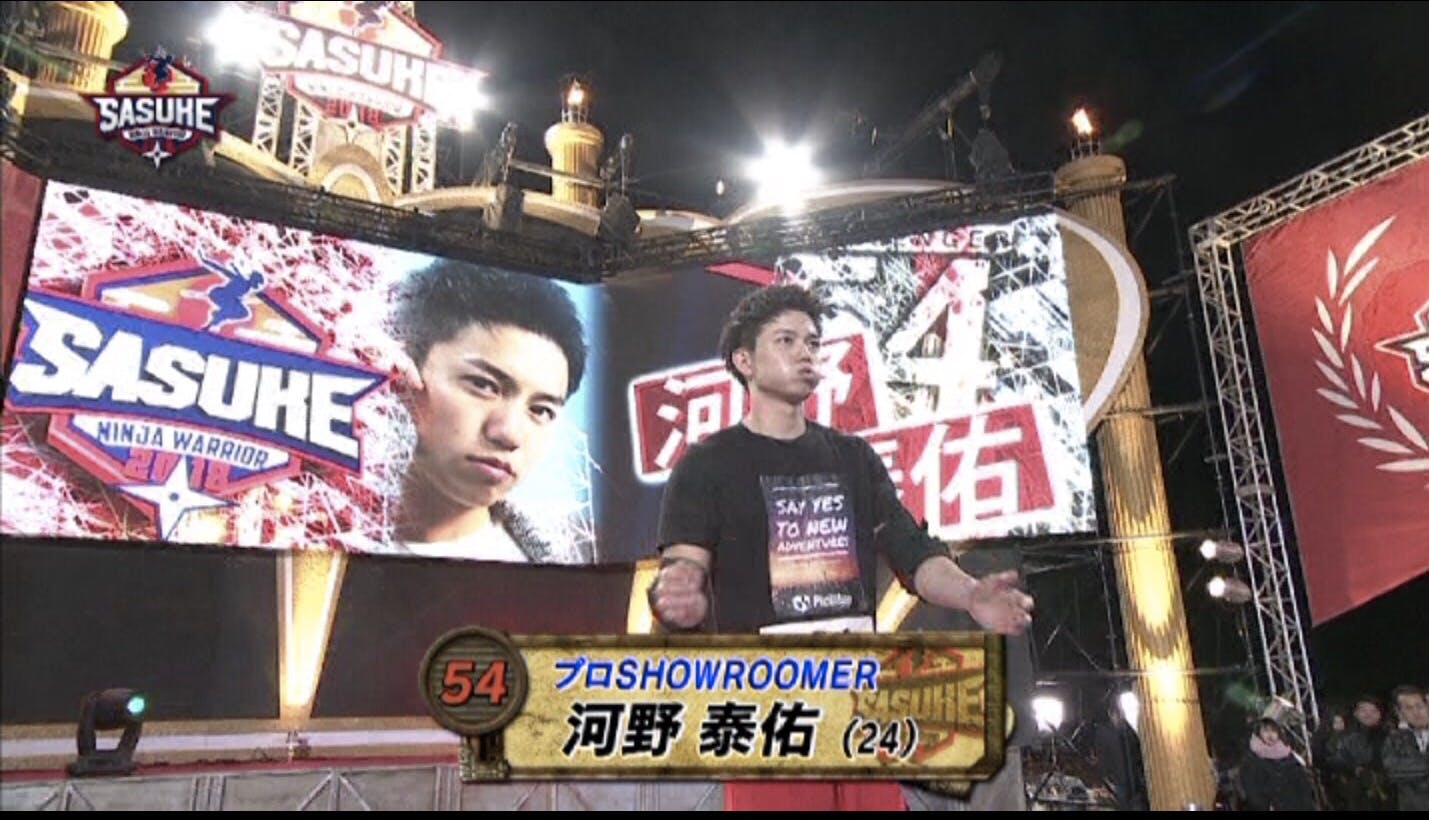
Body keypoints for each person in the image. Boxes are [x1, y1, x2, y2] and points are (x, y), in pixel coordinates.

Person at [647, 285, 1035, 810]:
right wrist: (680, 601)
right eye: (786, 340)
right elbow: (682, 572)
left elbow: (911, 551)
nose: (805, 352)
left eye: (812, 341)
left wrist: (970, 594)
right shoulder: (706, 464)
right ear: (744, 361)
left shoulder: (853, 457)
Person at [388, 259, 590, 563]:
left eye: (540, 410)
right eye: (484, 386)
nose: (509, 434)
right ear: (403, 370)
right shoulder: (317, 518)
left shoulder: (560, 571)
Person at [1323, 695, 1394, 811]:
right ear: (1355, 713)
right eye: (1363, 710)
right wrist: (1355, 769)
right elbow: (1333, 759)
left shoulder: (1391, 737)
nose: (1368, 714)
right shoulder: (1345, 738)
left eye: (1373, 711)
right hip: (1356, 794)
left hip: (1388, 793)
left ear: (1380, 714)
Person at [1239, 717, 1318, 811]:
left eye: (1273, 731)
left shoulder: (1288, 754)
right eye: (1266, 730)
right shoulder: (1252, 759)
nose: (1270, 735)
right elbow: (1253, 791)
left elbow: (1303, 784)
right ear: (1259, 733)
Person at [1382, 685, 1429, 811]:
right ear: (1399, 712)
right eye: (1408, 708)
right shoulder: (1395, 740)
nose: (1416, 712)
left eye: (1419, 706)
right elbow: (1393, 771)